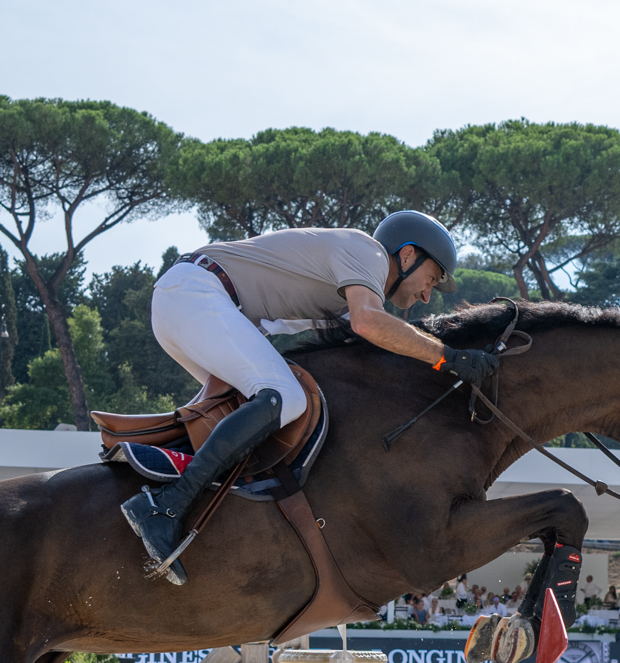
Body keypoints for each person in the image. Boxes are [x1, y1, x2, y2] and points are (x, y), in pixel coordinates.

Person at [121, 212, 482, 585]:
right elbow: (369, 324)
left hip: (191, 303)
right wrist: (449, 357)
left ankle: (165, 490)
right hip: (197, 294)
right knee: (284, 397)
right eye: (431, 279)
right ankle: (165, 506)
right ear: (407, 256)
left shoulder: (349, 297)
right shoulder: (369, 252)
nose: (427, 294)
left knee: (255, 413)